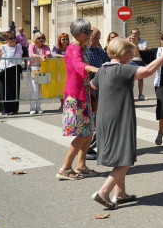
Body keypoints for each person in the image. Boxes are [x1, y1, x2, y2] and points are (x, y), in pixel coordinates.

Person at [90, 37, 163, 210]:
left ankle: (120, 193)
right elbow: (147, 71)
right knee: (126, 157)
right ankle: (104, 192)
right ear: (121, 53)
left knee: (120, 154)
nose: (131, 56)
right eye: (129, 52)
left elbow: (93, 85)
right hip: (119, 116)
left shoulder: (103, 69)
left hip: (103, 117)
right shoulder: (121, 69)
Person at [56, 19, 99, 180]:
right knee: (82, 133)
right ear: (78, 33)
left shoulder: (82, 47)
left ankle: (81, 165)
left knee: (88, 132)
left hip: (84, 93)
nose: (90, 34)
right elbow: (78, 64)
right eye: (87, 32)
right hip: (76, 96)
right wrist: (92, 68)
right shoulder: (73, 48)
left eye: (90, 32)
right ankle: (65, 168)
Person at [85, 27, 111, 160]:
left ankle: (96, 145)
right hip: (88, 89)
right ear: (88, 37)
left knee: (100, 120)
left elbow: (109, 64)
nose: (97, 40)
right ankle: (87, 147)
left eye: (98, 38)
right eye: (95, 38)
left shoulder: (101, 52)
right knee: (93, 120)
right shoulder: (84, 52)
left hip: (101, 89)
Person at [0, 32, 23, 115]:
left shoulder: (19, 47)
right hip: (5, 70)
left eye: (14, 38)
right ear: (6, 39)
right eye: (11, 38)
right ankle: (5, 109)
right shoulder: (2, 47)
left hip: (16, 69)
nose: (13, 40)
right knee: (5, 90)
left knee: (15, 90)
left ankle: (14, 109)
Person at [28, 32, 52, 114]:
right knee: (35, 89)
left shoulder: (46, 47)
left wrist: (47, 55)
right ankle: (32, 108)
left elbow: (49, 54)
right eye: (39, 38)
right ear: (35, 39)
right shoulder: (32, 46)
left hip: (42, 68)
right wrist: (40, 56)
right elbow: (31, 54)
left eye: (43, 38)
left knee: (41, 90)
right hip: (33, 68)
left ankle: (38, 107)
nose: (41, 40)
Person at [130, 28, 148, 100]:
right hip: (132, 62)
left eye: (136, 33)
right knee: (132, 79)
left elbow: (145, 50)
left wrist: (136, 52)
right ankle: (131, 95)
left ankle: (140, 94)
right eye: (133, 33)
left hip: (141, 62)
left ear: (139, 33)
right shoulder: (129, 41)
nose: (134, 35)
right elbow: (130, 52)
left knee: (140, 79)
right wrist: (138, 52)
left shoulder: (143, 41)